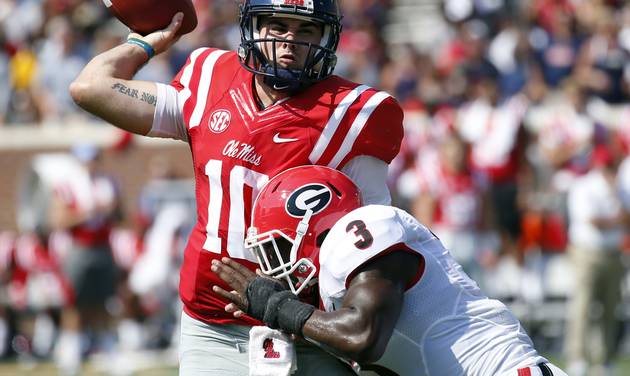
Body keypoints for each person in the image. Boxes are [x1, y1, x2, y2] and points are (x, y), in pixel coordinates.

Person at [69, 0, 403, 374]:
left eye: (305, 30)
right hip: (213, 326)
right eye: (277, 27)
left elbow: (372, 240)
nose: (289, 41)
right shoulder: (210, 76)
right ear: (252, 28)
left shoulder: (357, 113)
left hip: (307, 328)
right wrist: (145, 43)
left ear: (327, 36)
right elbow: (90, 87)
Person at [211, 165, 568, 376]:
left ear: (312, 228)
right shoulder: (339, 294)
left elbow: (362, 336)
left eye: (280, 247)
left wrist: (279, 308)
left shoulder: (365, 225)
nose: (276, 266)